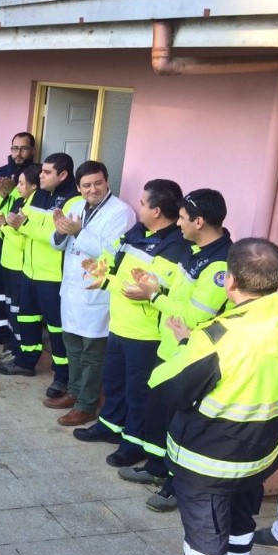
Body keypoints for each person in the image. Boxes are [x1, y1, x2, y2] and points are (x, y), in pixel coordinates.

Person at [140, 238, 278, 555]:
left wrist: (187, 344)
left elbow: (166, 388)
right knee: (240, 522)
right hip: (262, 454)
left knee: (205, 541)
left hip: (210, 460)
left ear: (230, 282)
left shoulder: (218, 337)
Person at [119, 189, 233, 511]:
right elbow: (180, 294)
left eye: (182, 218)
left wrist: (153, 298)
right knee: (159, 414)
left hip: (190, 354)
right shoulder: (194, 249)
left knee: (180, 426)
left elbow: (196, 317)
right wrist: (156, 285)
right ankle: (156, 468)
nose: (178, 223)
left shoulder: (220, 263)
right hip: (169, 345)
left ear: (199, 221)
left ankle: (174, 486)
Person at [75, 181, 191, 471]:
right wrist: (100, 269)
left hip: (146, 333)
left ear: (157, 210)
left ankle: (133, 444)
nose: (137, 206)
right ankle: (109, 426)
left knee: (137, 393)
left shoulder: (176, 246)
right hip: (120, 325)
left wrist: (105, 279)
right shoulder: (137, 231)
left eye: (142, 202)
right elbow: (110, 259)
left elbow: (139, 289)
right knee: (113, 383)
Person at [48, 161, 135, 427]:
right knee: (72, 346)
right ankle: (74, 392)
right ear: (78, 187)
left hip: (98, 294)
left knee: (92, 353)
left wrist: (78, 232)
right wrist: (60, 231)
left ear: (107, 182)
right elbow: (58, 243)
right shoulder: (75, 206)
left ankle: (86, 405)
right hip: (73, 289)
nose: (92, 189)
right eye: (86, 185)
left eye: (98, 183)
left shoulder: (122, 213)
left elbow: (114, 253)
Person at [0, 152, 78, 401]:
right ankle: (25, 361)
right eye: (41, 172)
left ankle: (62, 377)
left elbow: (56, 238)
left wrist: (23, 226)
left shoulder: (73, 201)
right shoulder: (40, 194)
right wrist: (15, 222)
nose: (40, 176)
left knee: (56, 329)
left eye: (46, 173)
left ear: (62, 175)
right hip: (29, 270)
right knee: (27, 319)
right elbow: (27, 224)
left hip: (53, 276)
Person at [0, 131, 36, 349]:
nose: (18, 153)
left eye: (23, 148)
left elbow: (28, 203)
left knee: (17, 291)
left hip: (19, 239)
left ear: (31, 151)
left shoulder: (36, 173)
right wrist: (3, 195)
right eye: (15, 148)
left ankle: (14, 337)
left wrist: (11, 192)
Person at [0, 163, 40, 364]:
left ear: (34, 186)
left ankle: (20, 352)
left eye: (21, 183)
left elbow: (21, 242)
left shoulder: (32, 209)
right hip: (8, 264)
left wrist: (3, 227)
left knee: (18, 313)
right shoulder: (19, 201)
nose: (17, 187)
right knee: (10, 310)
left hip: (20, 267)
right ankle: (12, 347)